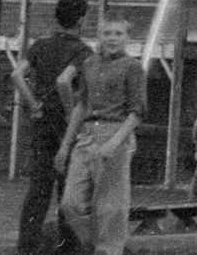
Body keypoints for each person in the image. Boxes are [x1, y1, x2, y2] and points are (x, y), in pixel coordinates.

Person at [57, 19, 146, 255]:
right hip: (87, 135)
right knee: (70, 203)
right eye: (107, 33)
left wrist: (113, 144)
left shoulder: (133, 67)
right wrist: (65, 146)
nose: (112, 38)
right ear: (99, 36)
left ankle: (108, 250)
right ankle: (97, 245)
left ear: (127, 38)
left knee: (110, 206)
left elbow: (137, 113)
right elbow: (81, 106)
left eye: (118, 33)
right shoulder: (89, 64)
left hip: (115, 133)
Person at [15, 0, 90, 253]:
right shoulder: (82, 51)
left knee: (39, 187)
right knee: (67, 189)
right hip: (65, 126)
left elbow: (17, 74)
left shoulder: (40, 45)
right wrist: (70, 113)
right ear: (81, 20)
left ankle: (27, 246)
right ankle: (67, 246)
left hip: (42, 122)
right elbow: (64, 80)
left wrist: (33, 103)